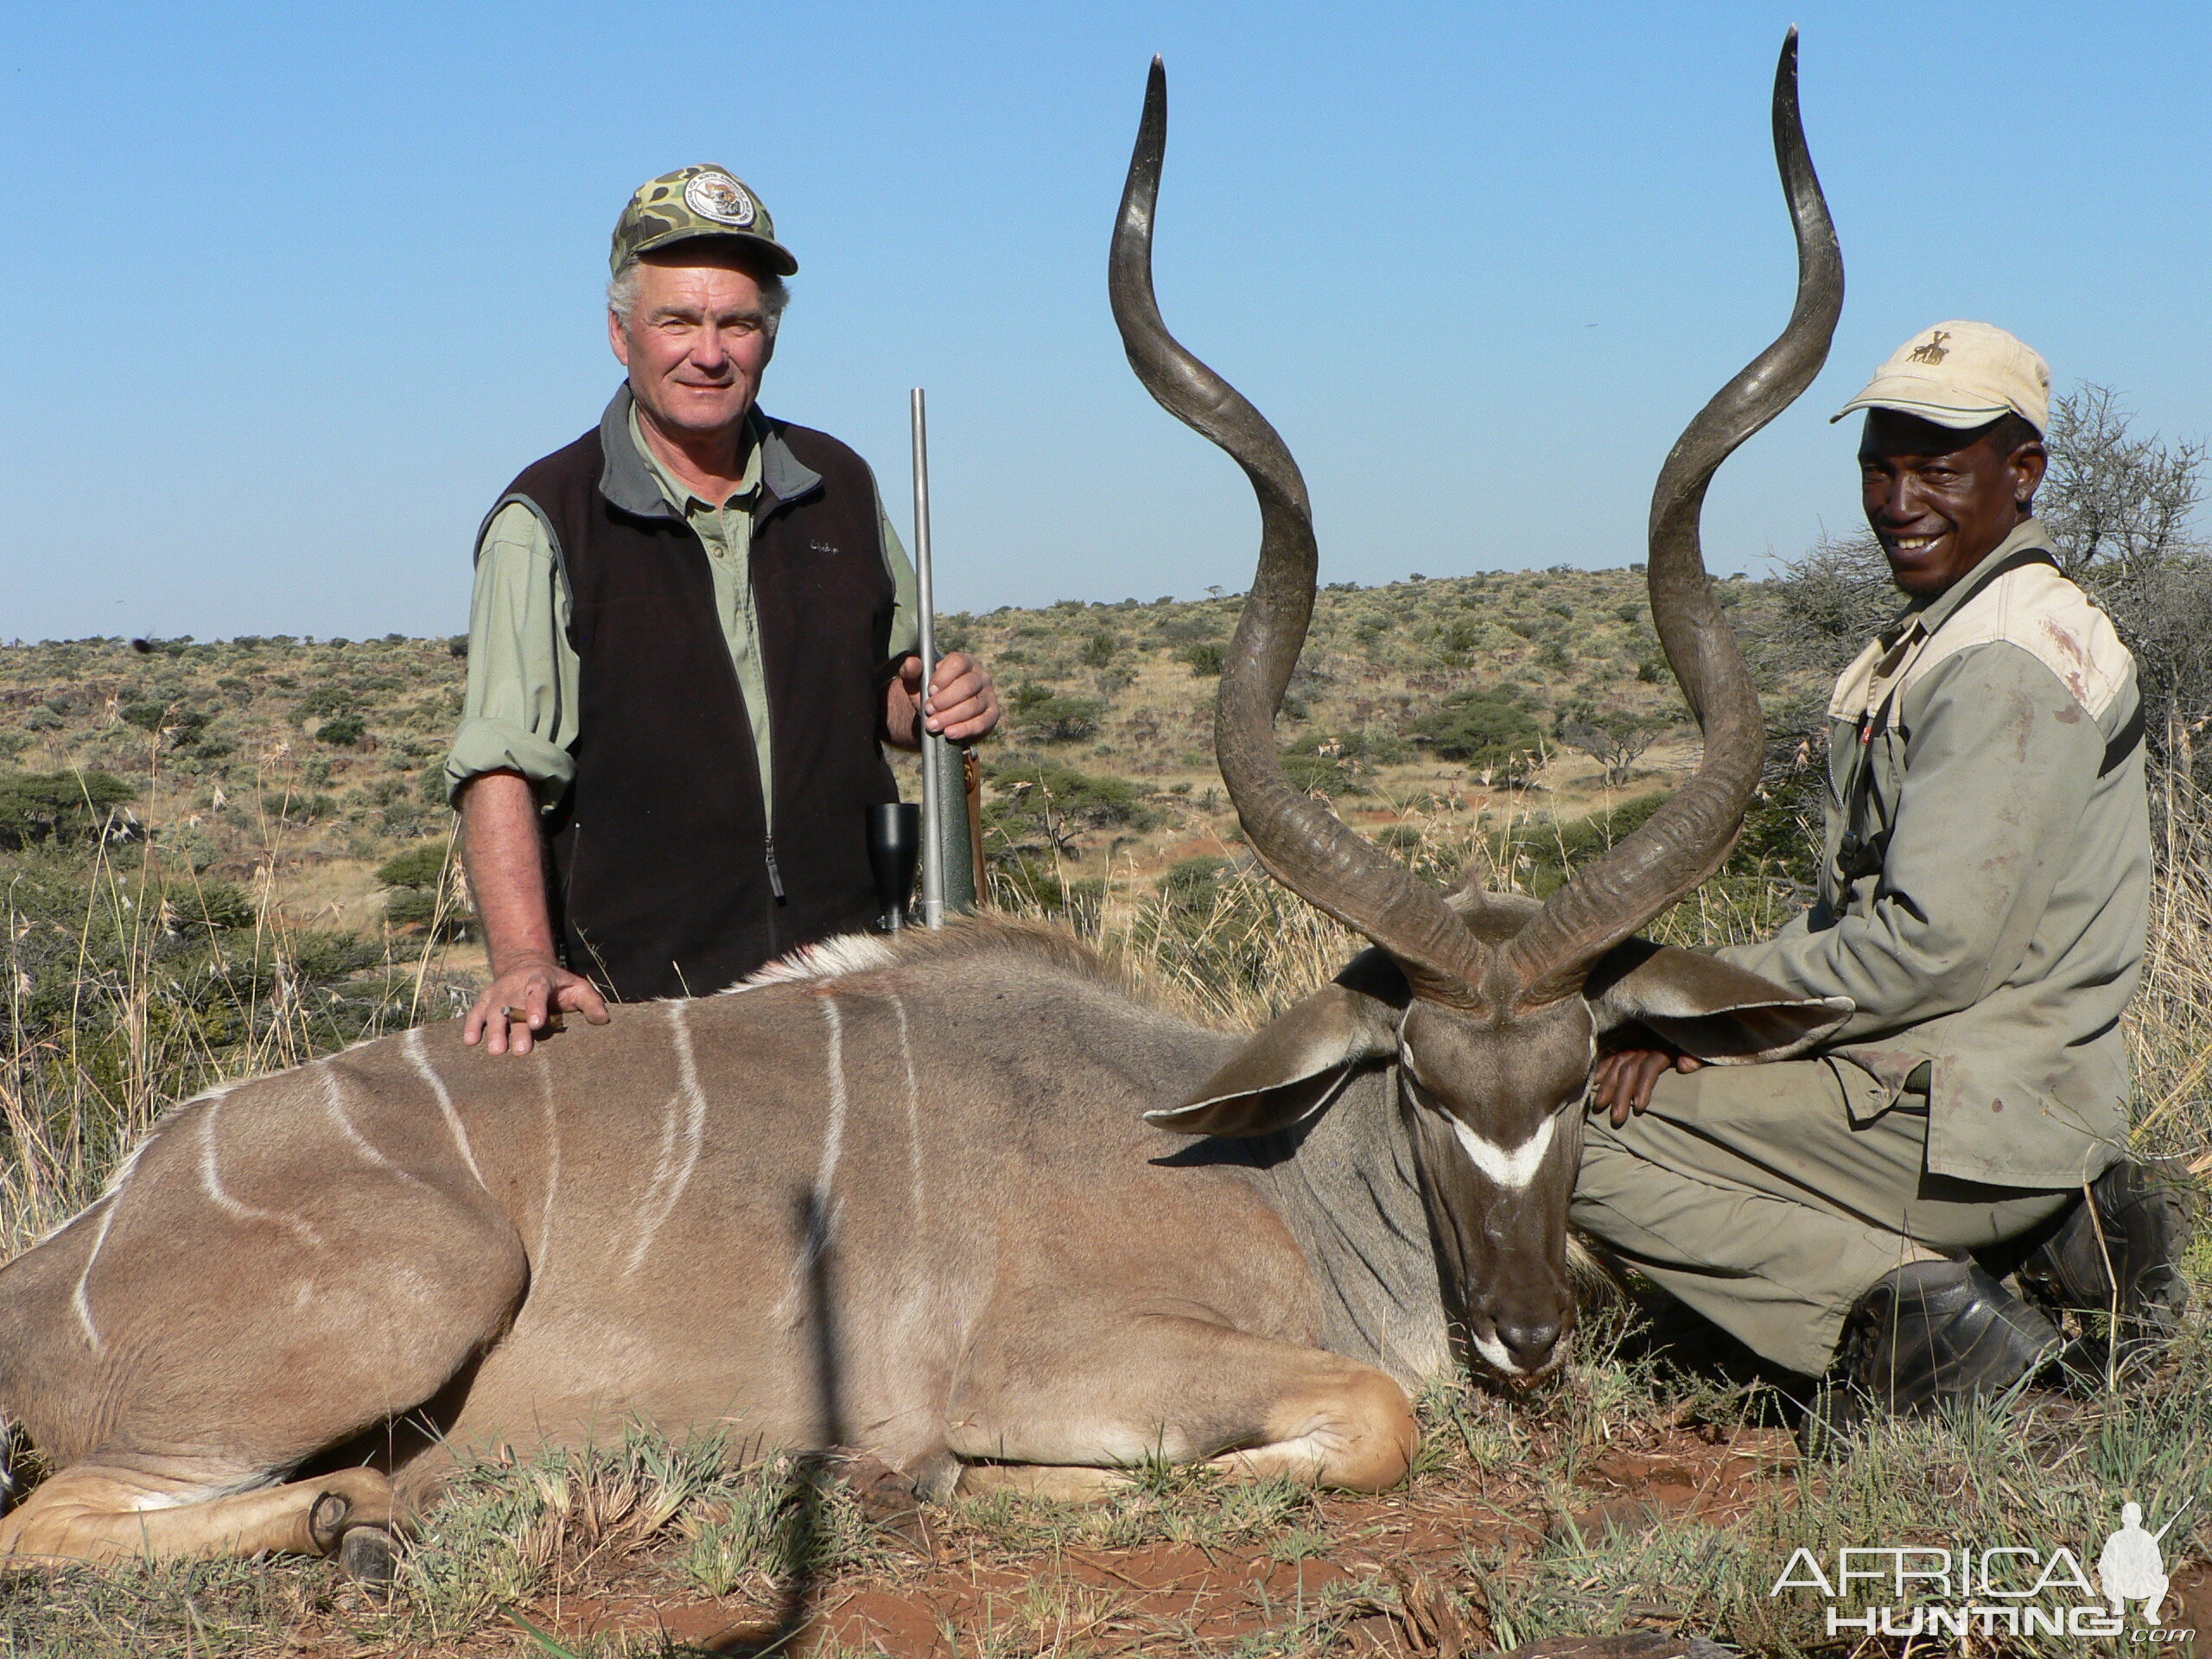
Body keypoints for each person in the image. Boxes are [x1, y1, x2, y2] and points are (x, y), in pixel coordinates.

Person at [1573, 321, 2186, 1441]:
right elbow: (1868, 921)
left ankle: (1923, 1325)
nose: (1900, 498)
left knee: (1570, 1135)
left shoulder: (2002, 657)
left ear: (2024, 472)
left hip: (1979, 1108)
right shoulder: (1944, 631)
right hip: (1979, 1087)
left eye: (1940, 468)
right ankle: (2036, 1239)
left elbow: (1926, 945)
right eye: (1880, 464)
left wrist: (1680, 1004)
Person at [444, 165, 1000, 1052]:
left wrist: (938, 701)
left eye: (737, 322)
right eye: (679, 321)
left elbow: (888, 697)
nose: (710, 351)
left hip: (852, 982)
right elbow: (502, 765)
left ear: (768, 338)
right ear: (621, 335)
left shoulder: (838, 484)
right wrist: (522, 961)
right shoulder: (545, 517)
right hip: (648, 1008)